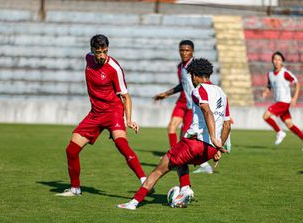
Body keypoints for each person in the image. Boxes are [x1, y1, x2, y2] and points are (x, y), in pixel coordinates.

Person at [117, 58, 231, 210]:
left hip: (195, 143)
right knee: (181, 161)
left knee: (159, 169)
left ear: (195, 75)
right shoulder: (222, 93)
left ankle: (133, 203)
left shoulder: (198, 90)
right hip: (209, 150)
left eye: (192, 76)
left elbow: (207, 111)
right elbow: (227, 125)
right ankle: (185, 189)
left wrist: (214, 139)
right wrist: (217, 146)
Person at [56, 34, 147, 196]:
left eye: (105, 51)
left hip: (113, 111)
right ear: (92, 50)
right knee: (71, 150)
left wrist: (129, 119)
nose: (102, 55)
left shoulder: (114, 68)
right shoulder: (88, 59)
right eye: (98, 52)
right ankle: (75, 189)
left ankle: (145, 181)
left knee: (121, 144)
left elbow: (125, 96)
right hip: (95, 114)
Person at [153, 40, 213, 177]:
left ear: (192, 51)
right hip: (184, 102)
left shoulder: (195, 67)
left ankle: (203, 164)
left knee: (185, 138)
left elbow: (206, 84)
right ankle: (174, 157)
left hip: (194, 106)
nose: (184, 53)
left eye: (187, 50)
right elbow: (183, 84)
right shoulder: (181, 66)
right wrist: (166, 94)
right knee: (171, 127)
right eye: (182, 50)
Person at [262, 51, 303, 151]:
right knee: (289, 124)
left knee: (265, 116)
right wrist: (265, 92)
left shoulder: (285, 73)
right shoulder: (270, 74)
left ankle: (279, 132)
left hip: (284, 102)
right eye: (275, 59)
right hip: (279, 102)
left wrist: (294, 98)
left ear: (282, 62)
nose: (277, 61)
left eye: (279, 59)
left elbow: (297, 83)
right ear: (272, 60)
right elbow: (269, 85)